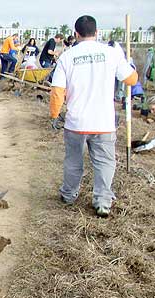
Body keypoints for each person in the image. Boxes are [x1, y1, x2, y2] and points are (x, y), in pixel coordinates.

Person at [50, 15, 137, 218]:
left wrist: (54, 115)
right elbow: (131, 79)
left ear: (76, 34)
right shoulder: (111, 54)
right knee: (105, 162)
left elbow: (57, 91)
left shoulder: (67, 56)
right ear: (97, 33)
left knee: (73, 161)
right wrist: (127, 63)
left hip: (76, 122)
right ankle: (103, 202)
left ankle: (69, 195)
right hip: (104, 122)